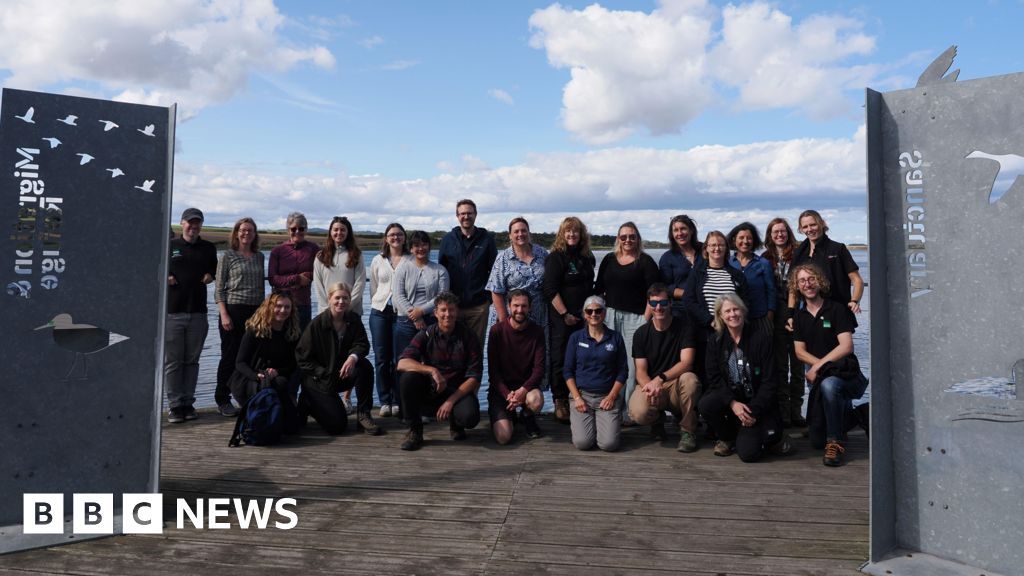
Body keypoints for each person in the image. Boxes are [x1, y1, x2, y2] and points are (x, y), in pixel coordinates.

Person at [791, 263, 868, 467]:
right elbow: (799, 352)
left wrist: (818, 367)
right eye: (802, 280)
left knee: (829, 385)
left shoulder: (836, 309)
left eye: (811, 279)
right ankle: (859, 414)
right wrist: (820, 367)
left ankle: (835, 443)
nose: (807, 284)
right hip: (819, 375)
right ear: (797, 286)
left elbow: (846, 347)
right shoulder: (799, 317)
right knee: (816, 440)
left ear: (820, 281)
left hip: (845, 374)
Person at [698, 293, 790, 462]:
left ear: (743, 311)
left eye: (736, 309)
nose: (732, 314)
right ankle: (727, 437)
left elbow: (770, 381)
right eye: (727, 311)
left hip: (758, 404)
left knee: (749, 454)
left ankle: (766, 435)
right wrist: (733, 404)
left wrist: (752, 410)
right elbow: (714, 378)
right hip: (733, 402)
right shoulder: (715, 341)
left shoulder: (762, 338)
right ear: (720, 316)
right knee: (706, 404)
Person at [396, 292, 483, 451]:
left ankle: (456, 424)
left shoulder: (469, 336)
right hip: (433, 389)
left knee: (470, 417)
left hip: (457, 391)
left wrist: (450, 401)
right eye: (443, 310)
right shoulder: (426, 334)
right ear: (435, 313)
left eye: (451, 310)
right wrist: (431, 370)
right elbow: (402, 363)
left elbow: (475, 377)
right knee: (407, 378)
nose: (447, 314)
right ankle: (415, 430)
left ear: (457, 312)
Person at [295, 282, 381, 436]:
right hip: (319, 380)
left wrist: (353, 357)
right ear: (329, 299)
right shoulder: (317, 325)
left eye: (345, 298)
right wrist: (322, 372)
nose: (341, 302)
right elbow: (302, 358)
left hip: (341, 374)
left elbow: (362, 344)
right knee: (337, 426)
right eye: (337, 298)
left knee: (365, 367)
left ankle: (363, 414)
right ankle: (308, 402)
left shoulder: (353, 320)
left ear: (349, 300)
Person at [593, 221, 660, 421]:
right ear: (618, 239)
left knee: (632, 367)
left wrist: (644, 320)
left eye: (632, 236)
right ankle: (610, 405)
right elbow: (598, 290)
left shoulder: (646, 261)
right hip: (611, 315)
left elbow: (654, 293)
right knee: (610, 361)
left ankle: (628, 412)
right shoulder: (609, 259)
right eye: (623, 237)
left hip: (636, 318)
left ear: (638, 238)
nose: (627, 240)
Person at [627, 283, 702, 453]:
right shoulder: (641, 333)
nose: (658, 307)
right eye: (653, 303)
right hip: (653, 385)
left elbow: (687, 362)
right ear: (648, 305)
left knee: (690, 380)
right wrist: (650, 387)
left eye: (662, 303)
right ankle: (656, 421)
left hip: (675, 385)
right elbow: (640, 371)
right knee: (638, 413)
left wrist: (660, 379)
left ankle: (688, 432)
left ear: (670, 303)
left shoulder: (685, 327)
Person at [165, 207, 217, 424]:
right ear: (182, 223)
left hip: (198, 312)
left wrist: (210, 276)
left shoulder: (208, 248)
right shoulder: (170, 246)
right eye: (190, 222)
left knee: (192, 361)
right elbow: (155, 268)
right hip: (172, 313)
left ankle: (188, 403)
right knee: (173, 362)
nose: (193, 227)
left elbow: (213, 271)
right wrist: (165, 275)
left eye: (197, 223)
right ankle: (175, 406)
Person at [543, 216, 596, 425]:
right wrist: (565, 314)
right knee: (560, 357)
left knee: (582, 356)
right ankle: (560, 400)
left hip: (585, 317)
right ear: (562, 234)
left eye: (575, 231)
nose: (572, 234)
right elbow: (550, 288)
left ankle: (580, 395)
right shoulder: (556, 257)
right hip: (562, 318)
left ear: (581, 234)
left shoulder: (587, 257)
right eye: (568, 231)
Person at [682, 231, 750, 385]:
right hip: (706, 333)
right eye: (713, 245)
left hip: (732, 332)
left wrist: (734, 323)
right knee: (708, 374)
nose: (717, 248)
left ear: (726, 248)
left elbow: (745, 302)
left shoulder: (736, 275)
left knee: (733, 374)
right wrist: (710, 321)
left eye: (720, 245)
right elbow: (689, 301)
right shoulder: (698, 273)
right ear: (706, 248)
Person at [314, 216, 366, 415]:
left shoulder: (356, 255)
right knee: (329, 354)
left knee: (349, 353)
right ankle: (331, 394)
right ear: (330, 232)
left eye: (342, 230)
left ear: (348, 232)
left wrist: (347, 307)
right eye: (335, 230)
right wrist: (328, 310)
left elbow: (360, 283)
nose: (338, 233)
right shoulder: (320, 256)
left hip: (351, 312)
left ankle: (347, 397)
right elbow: (318, 286)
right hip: (327, 313)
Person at [213, 217, 264, 418]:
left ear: (255, 234)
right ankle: (222, 398)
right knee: (230, 356)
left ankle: (246, 396)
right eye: (242, 230)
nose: (246, 234)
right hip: (233, 311)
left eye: (250, 230)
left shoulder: (259, 256)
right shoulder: (227, 256)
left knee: (251, 358)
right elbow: (219, 289)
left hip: (255, 314)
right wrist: (224, 314)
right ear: (236, 233)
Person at [564, 295, 627, 452]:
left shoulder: (615, 338)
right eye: (589, 311)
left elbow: (623, 371)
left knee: (609, 445)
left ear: (604, 313)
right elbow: (567, 371)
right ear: (585, 314)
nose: (594, 314)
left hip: (606, 397)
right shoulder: (575, 337)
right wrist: (577, 398)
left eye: (598, 310)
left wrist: (612, 396)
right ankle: (594, 422)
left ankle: (607, 420)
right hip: (582, 396)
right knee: (583, 443)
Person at [762, 217, 805, 427]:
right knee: (780, 365)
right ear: (770, 235)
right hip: (774, 315)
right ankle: (783, 412)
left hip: (797, 313)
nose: (779, 235)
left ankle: (796, 411)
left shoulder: (799, 254)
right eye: (775, 232)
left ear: (788, 233)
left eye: (782, 231)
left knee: (797, 365)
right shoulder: (765, 258)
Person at [487, 289, 546, 444]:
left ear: (530, 307)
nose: (520, 310)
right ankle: (508, 416)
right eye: (516, 305)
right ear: (508, 306)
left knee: (537, 399)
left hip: (525, 389)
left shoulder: (537, 332)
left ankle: (526, 416)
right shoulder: (496, 331)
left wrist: (522, 391)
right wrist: (508, 395)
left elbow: (539, 370)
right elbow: (493, 372)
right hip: (501, 391)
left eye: (524, 306)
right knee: (503, 438)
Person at [438, 199, 497, 349]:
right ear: (457, 216)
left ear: (475, 215)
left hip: (478, 307)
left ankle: (474, 374)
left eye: (469, 213)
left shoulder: (487, 239)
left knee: (475, 349)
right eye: (462, 213)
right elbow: (440, 272)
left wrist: (488, 299)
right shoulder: (447, 240)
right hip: (452, 307)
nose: (466, 216)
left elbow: (495, 272)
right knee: (452, 349)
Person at [789, 210, 864, 326]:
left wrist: (854, 301)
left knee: (835, 341)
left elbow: (857, 280)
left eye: (813, 224)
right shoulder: (799, 253)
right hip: (807, 315)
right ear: (801, 229)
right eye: (805, 226)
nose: (809, 229)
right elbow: (793, 287)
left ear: (822, 223)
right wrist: (790, 314)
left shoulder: (838, 249)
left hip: (835, 314)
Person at [369, 223, 410, 418]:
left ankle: (398, 399)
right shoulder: (378, 260)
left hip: (401, 314)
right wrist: (378, 304)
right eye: (392, 235)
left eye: (399, 234)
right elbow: (374, 287)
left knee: (399, 359)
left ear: (404, 237)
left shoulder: (410, 259)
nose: (396, 238)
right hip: (379, 311)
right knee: (381, 358)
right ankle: (385, 400)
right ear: (386, 238)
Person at [232, 291, 301, 408]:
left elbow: (293, 364)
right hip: (249, 378)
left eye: (287, 307)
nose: (283, 310)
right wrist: (256, 376)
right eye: (278, 306)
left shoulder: (292, 334)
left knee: (281, 383)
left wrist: (277, 371)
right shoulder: (255, 330)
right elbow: (240, 363)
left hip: (276, 377)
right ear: (269, 307)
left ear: (292, 310)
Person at [393, 230, 450, 359]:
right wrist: (415, 316)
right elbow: (398, 295)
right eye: (416, 245)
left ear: (429, 247)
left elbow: (442, 297)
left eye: (424, 244)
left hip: (431, 321)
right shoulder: (402, 269)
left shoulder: (440, 270)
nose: (420, 248)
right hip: (406, 322)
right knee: (404, 361)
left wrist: (422, 311)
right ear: (411, 249)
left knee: (431, 360)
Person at [486, 217, 548, 326]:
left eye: (524, 230)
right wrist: (504, 322)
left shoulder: (542, 253)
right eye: (516, 231)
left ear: (529, 233)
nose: (520, 234)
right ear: (510, 235)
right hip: (511, 317)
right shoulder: (503, 258)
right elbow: (496, 291)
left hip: (538, 317)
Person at [269, 212, 319, 329]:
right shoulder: (277, 251)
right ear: (288, 230)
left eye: (301, 228)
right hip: (280, 305)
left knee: (302, 343)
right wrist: (297, 279)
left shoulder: (313, 249)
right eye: (293, 229)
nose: (297, 232)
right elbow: (272, 279)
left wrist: (309, 276)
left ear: (306, 230)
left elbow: (321, 272)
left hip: (303, 304)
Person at [727, 222, 775, 335]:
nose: (745, 241)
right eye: (741, 238)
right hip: (733, 319)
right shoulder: (728, 262)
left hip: (759, 318)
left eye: (749, 238)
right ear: (734, 240)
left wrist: (770, 316)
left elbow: (771, 291)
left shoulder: (763, 263)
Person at [659, 214, 703, 320]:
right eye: (675, 230)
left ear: (691, 230)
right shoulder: (667, 258)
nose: (680, 233)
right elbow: (666, 287)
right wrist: (691, 294)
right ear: (672, 234)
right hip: (680, 312)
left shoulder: (705, 251)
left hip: (706, 310)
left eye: (683, 229)